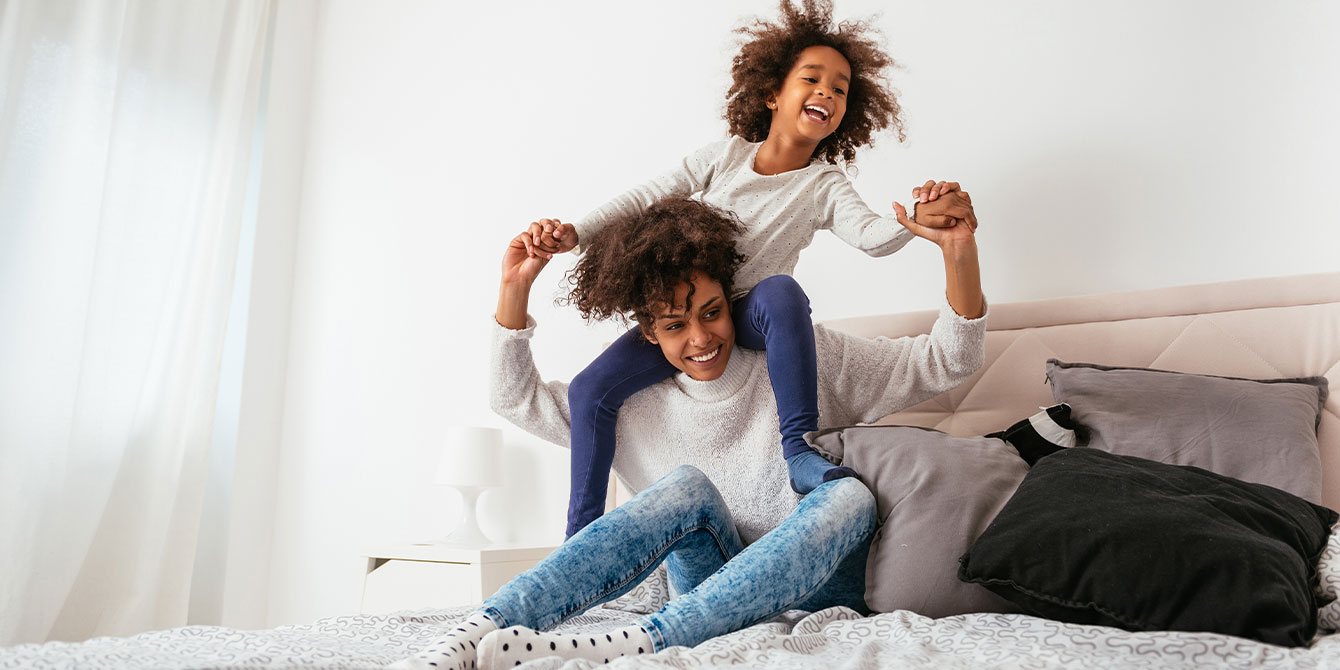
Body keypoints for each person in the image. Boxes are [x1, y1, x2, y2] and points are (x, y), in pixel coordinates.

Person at [390, 191, 985, 669]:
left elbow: (944, 362)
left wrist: (958, 252)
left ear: (732, 300)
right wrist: (515, 290)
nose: (700, 339)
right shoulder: (629, 403)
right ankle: (479, 632)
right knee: (683, 487)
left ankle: (646, 642)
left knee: (850, 494)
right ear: (648, 333)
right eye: (675, 326)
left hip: (822, 585)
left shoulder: (801, 357)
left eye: (711, 313)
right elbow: (514, 399)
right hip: (708, 588)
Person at [520, 0, 979, 537]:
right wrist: (577, 233)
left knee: (781, 291)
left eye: (840, 88)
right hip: (695, 309)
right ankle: (582, 535)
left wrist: (913, 221)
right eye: (812, 79)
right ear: (771, 94)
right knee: (588, 390)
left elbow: (871, 236)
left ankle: (798, 449)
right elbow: (646, 195)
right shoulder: (725, 156)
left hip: (749, 316)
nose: (827, 93)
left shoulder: (824, 185)